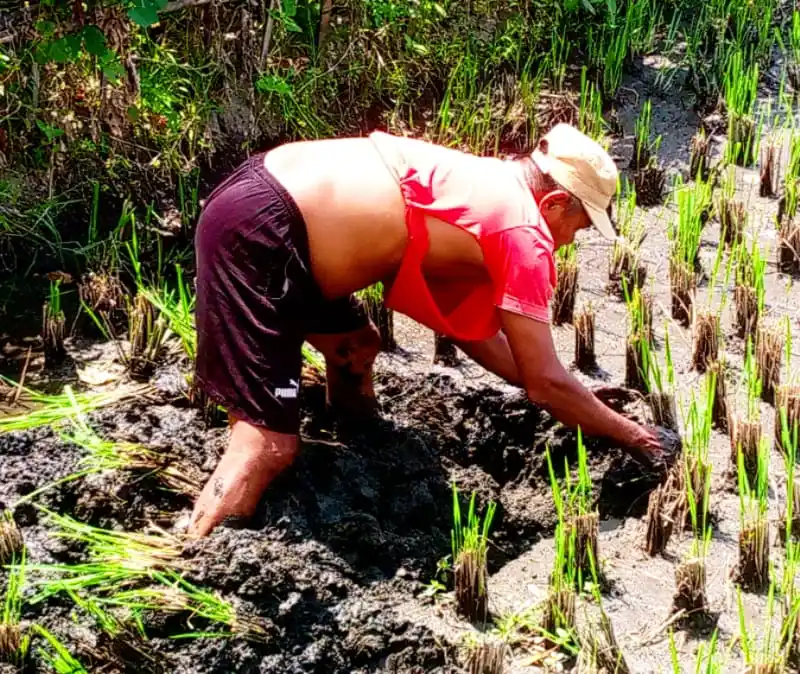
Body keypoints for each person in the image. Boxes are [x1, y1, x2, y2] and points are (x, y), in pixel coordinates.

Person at [187, 123, 673, 537]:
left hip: (263, 198)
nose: (570, 241)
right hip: (262, 232)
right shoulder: (524, 232)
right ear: (555, 203)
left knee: (355, 345)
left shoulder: (487, 182)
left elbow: (482, 340)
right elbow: (544, 382)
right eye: (580, 226)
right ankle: (197, 557)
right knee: (267, 445)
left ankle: (359, 444)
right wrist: (636, 437)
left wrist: (579, 400)